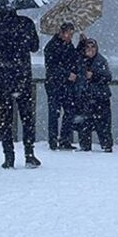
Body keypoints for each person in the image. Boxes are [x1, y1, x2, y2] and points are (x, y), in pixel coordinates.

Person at [0, 9, 42, 169]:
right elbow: (35, 47)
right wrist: (21, 41)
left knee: (5, 118)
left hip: (1, 77)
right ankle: (29, 155)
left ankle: (9, 156)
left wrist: (0, 44)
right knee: (27, 117)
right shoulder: (26, 22)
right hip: (22, 76)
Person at [44, 22, 82, 150]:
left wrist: (82, 44)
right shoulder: (51, 46)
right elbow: (52, 66)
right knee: (55, 113)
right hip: (54, 84)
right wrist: (67, 74)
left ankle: (65, 139)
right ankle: (53, 141)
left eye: (72, 34)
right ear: (61, 32)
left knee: (70, 112)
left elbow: (75, 59)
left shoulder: (69, 45)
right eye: (67, 33)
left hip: (67, 85)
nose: (70, 36)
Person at [77, 38, 114, 152]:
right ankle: (85, 146)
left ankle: (107, 146)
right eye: (87, 47)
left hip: (101, 97)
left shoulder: (101, 60)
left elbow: (108, 77)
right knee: (84, 123)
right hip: (85, 97)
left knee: (103, 123)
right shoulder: (80, 60)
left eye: (93, 47)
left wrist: (94, 75)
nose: (90, 50)